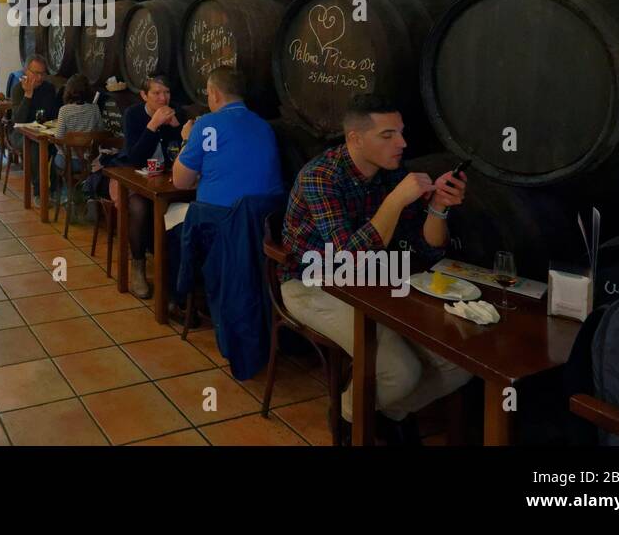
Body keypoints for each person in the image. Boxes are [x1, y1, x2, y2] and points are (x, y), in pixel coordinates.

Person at [280, 93, 471, 444]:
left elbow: (425, 251)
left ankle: (382, 414)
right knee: (399, 370)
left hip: (377, 284)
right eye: (388, 135)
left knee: (458, 365)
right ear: (355, 138)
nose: (402, 143)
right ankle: (350, 419)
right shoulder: (320, 176)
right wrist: (397, 200)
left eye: (400, 132)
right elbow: (344, 261)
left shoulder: (390, 173)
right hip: (313, 285)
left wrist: (438, 208)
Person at [167, 67, 285, 315]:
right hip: (264, 228)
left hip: (223, 226)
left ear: (214, 94)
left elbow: (179, 180)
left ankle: (181, 301)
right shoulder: (264, 126)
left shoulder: (206, 125)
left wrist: (187, 139)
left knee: (168, 222)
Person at [109, 75, 184, 298]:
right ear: (144, 95)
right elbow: (135, 158)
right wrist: (153, 126)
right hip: (134, 176)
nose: (163, 98)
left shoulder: (176, 113)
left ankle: (172, 273)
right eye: (156, 93)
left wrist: (177, 129)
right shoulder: (133, 115)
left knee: (179, 207)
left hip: (166, 180)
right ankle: (138, 265)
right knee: (139, 207)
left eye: (167, 93)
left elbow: (182, 155)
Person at [10, 55, 61, 200]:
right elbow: (18, 120)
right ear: (26, 71)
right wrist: (28, 95)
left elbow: (53, 114)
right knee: (34, 147)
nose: (39, 77)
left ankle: (55, 190)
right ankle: (40, 192)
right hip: (20, 134)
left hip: (44, 132)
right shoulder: (18, 90)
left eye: (42, 74)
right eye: (35, 73)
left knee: (60, 147)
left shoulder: (49, 88)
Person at [51, 74, 104, 181]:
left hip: (69, 160)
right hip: (89, 159)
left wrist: (64, 150)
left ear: (69, 90)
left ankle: (65, 191)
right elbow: (100, 131)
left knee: (53, 156)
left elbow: (59, 138)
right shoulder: (94, 109)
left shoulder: (64, 110)